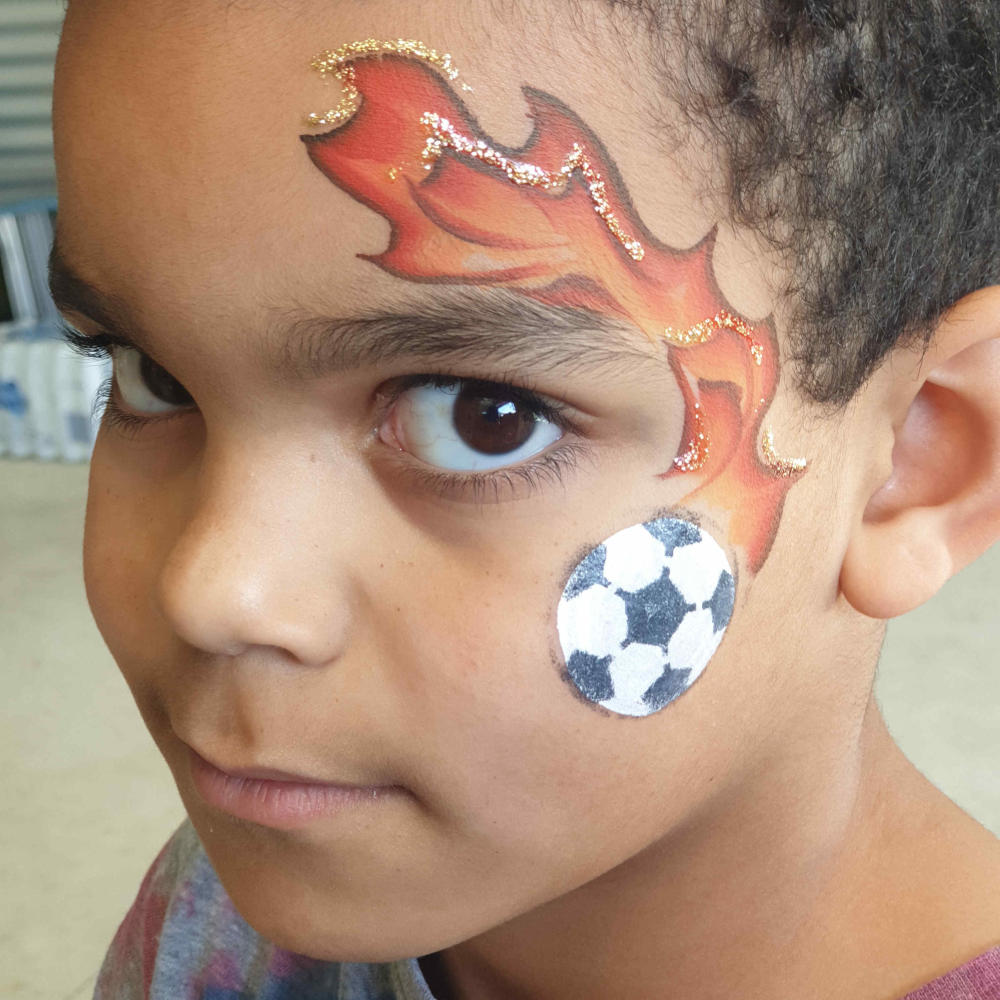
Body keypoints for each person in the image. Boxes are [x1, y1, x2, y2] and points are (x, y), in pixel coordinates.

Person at [49, 1, 1000, 997]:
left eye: (482, 415)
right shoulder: (223, 905)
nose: (209, 591)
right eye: (149, 372)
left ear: (917, 465)